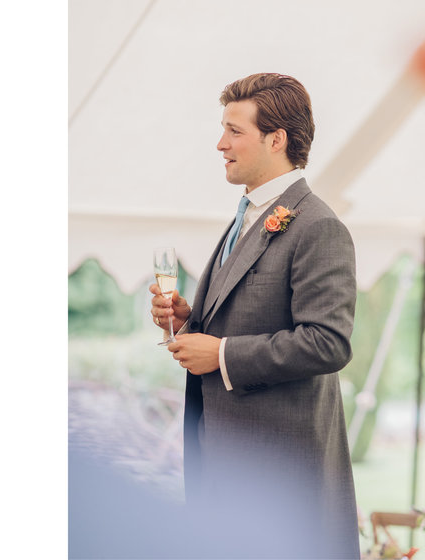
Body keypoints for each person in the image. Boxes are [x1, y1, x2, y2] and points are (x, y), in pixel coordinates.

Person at [149, 73, 360, 558]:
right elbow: (243, 315)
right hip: (224, 465)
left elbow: (329, 342)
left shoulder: (318, 225)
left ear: (276, 139)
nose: (220, 144)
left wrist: (221, 353)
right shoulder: (246, 214)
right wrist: (187, 319)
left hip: (279, 476)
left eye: (234, 131)